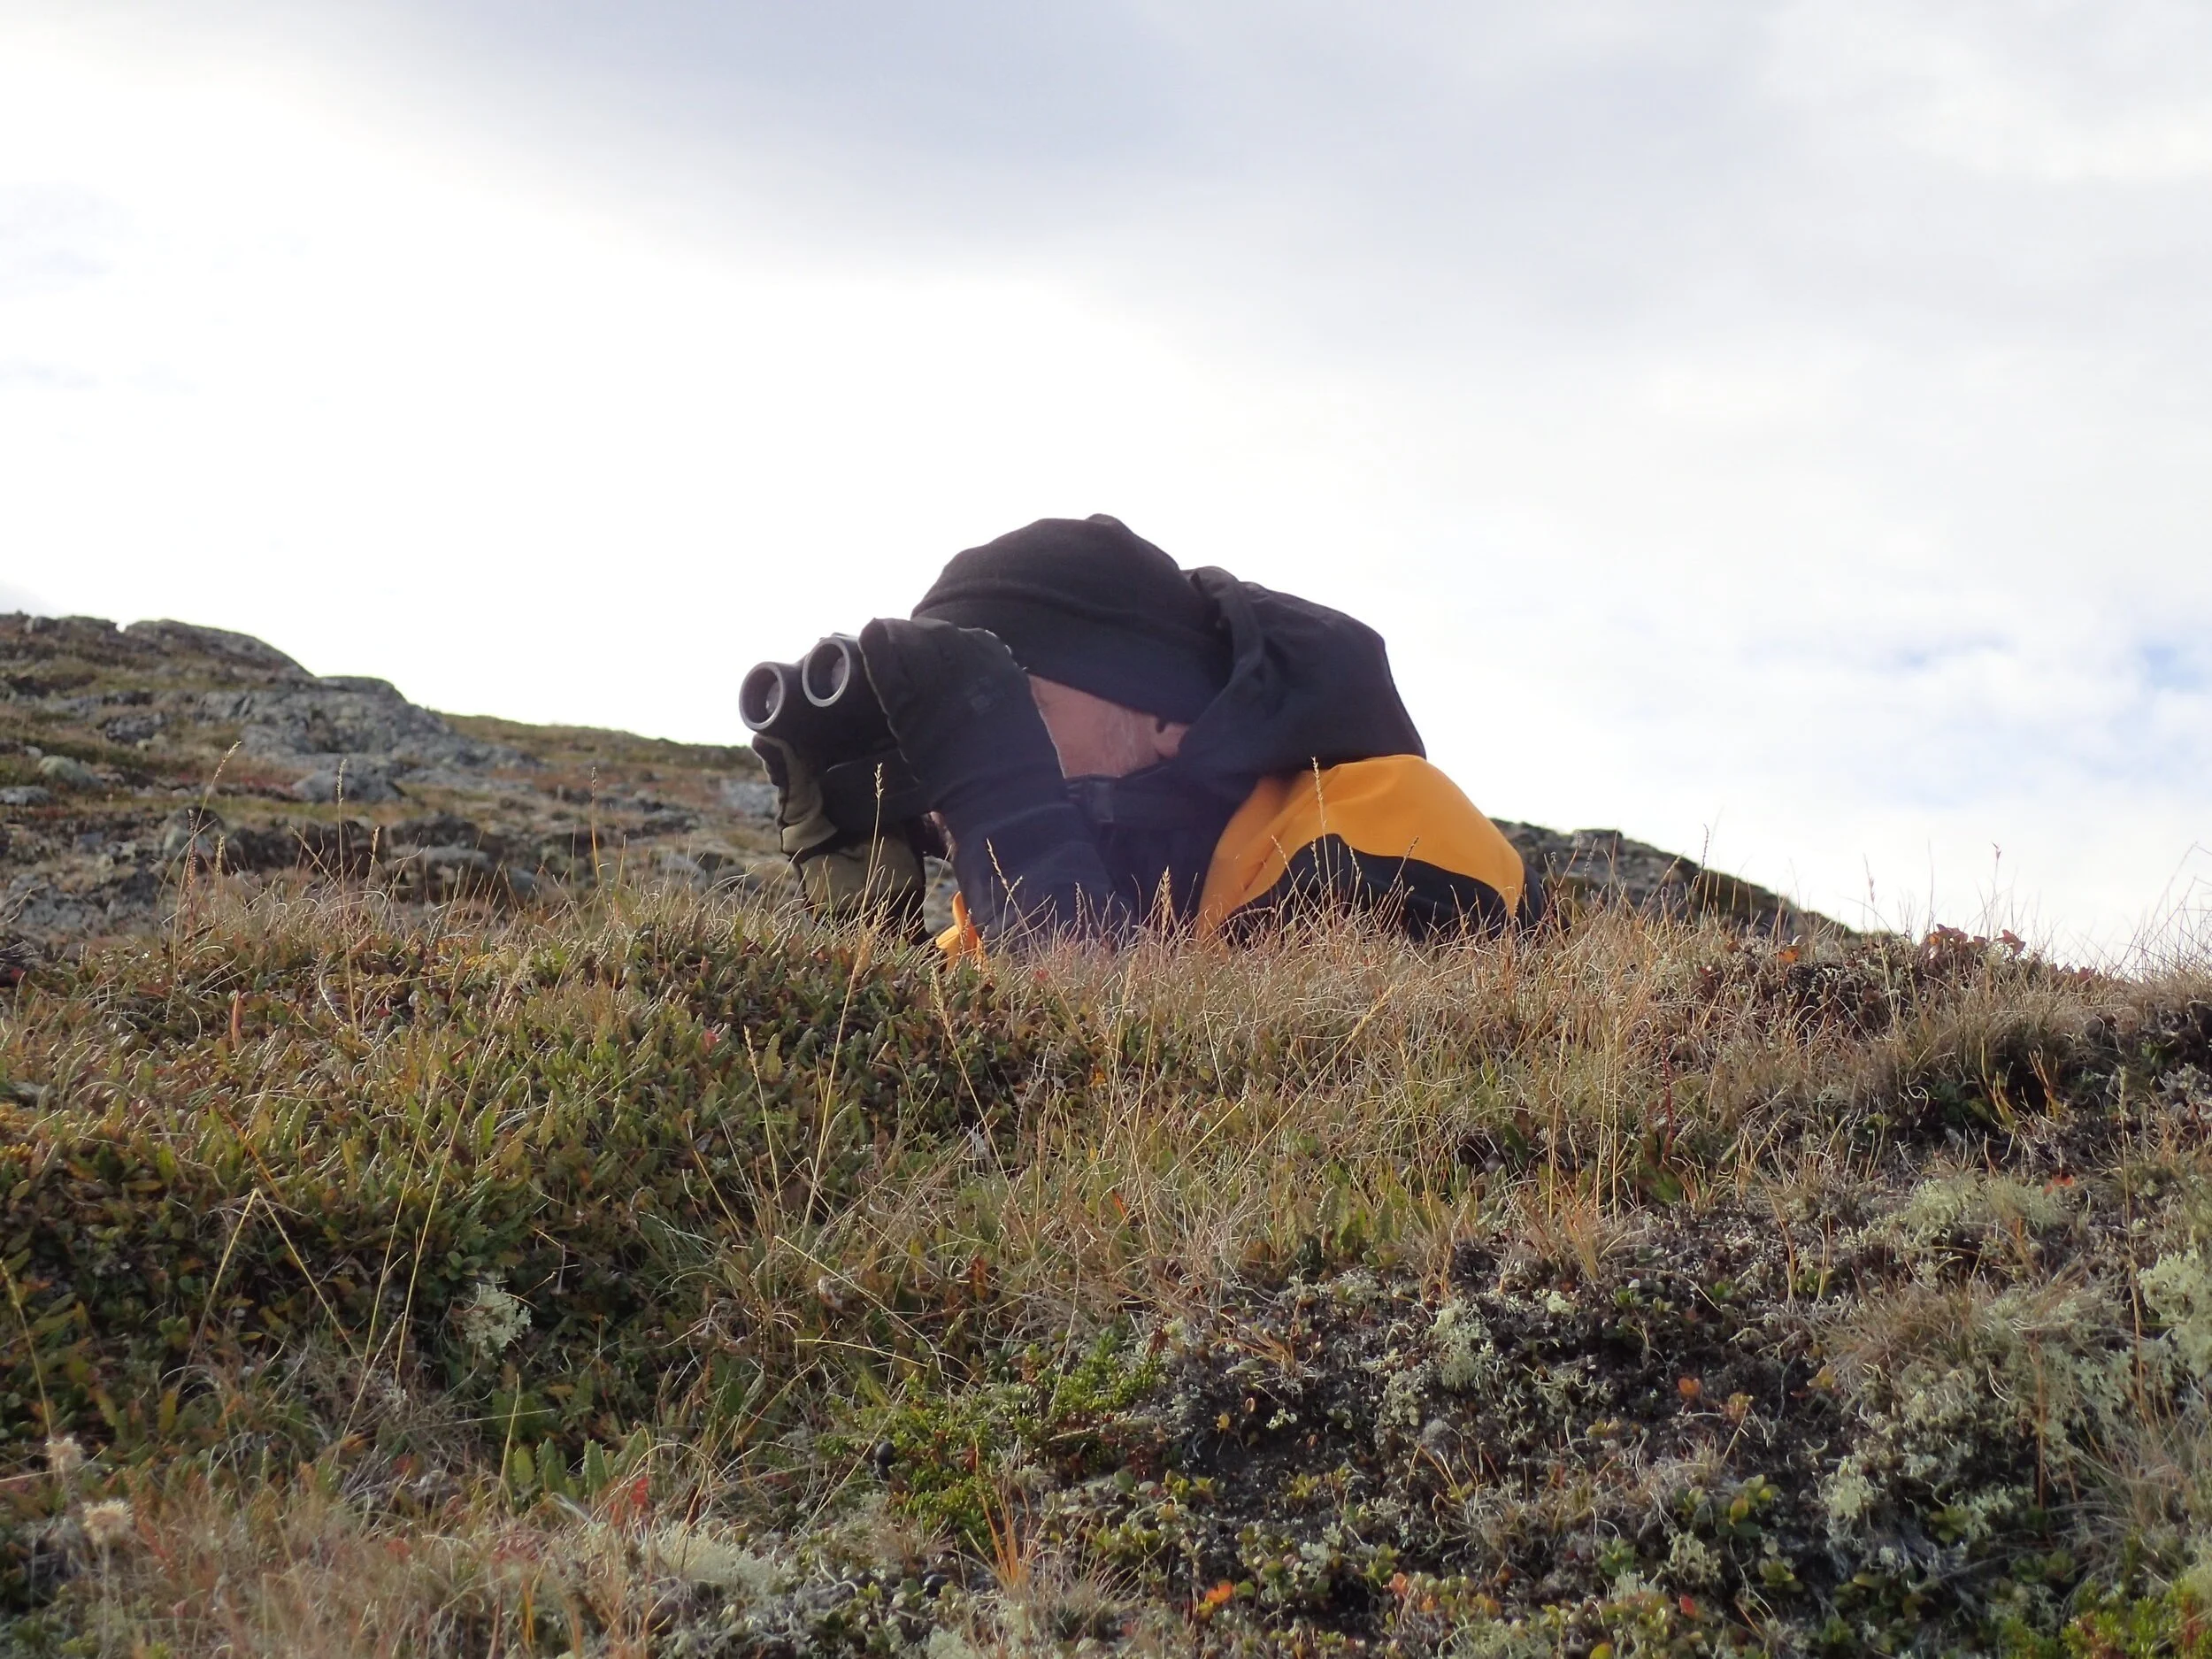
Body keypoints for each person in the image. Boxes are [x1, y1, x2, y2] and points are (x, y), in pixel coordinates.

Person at [762, 514, 1540, 950]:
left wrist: (1006, 812)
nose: (977, 744)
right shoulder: (994, 933)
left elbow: (1173, 1108)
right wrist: (867, 939)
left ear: (1164, 713)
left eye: (1010, 701)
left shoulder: (1384, 830)